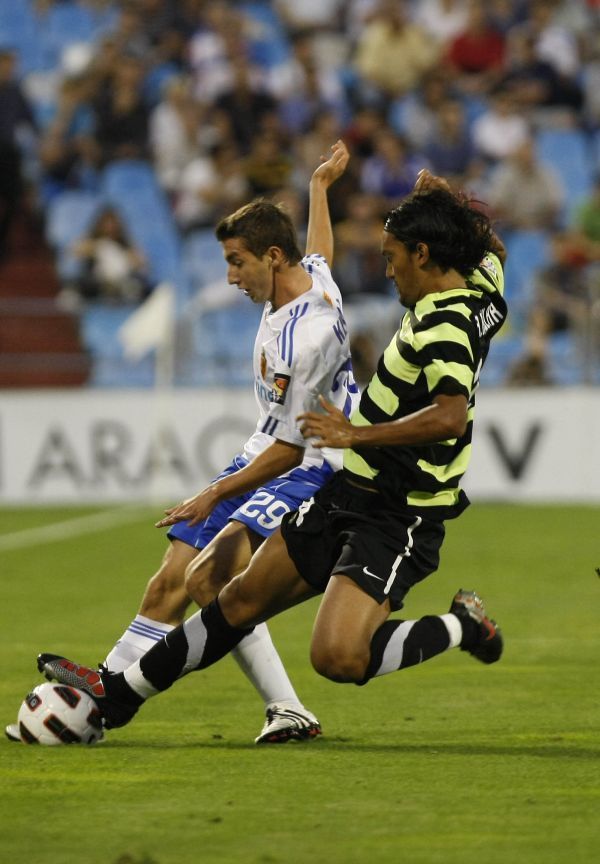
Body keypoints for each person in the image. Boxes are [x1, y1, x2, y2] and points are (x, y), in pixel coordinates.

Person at [36, 169, 508, 737]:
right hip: (347, 487)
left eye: (392, 257)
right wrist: (435, 197)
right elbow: (489, 249)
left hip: (397, 509)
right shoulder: (486, 283)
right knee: (234, 596)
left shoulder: (446, 325)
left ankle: (461, 626)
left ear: (424, 254)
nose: (387, 271)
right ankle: (117, 696)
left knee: (337, 658)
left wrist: (356, 434)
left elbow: (450, 416)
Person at [10, 141, 357, 745]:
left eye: (236, 261)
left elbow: (292, 450)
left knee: (213, 576)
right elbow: (321, 250)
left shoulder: (309, 335)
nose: (230, 276)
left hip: (312, 463)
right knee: (170, 577)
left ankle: (285, 708)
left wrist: (212, 494)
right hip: (264, 448)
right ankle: (101, 694)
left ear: (273, 257)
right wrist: (319, 189)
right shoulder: (311, 279)